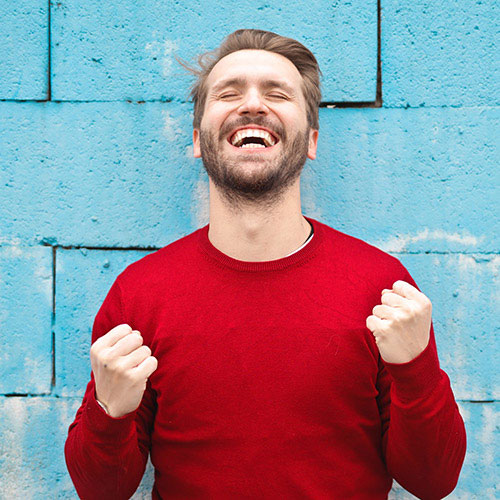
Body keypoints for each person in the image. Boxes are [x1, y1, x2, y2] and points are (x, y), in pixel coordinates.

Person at [64, 29, 466, 499]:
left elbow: (433, 482)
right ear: (198, 140)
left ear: (311, 141)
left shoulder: (383, 289)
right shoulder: (140, 294)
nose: (252, 105)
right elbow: (101, 490)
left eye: (277, 93)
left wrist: (416, 370)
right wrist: (108, 412)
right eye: (229, 93)